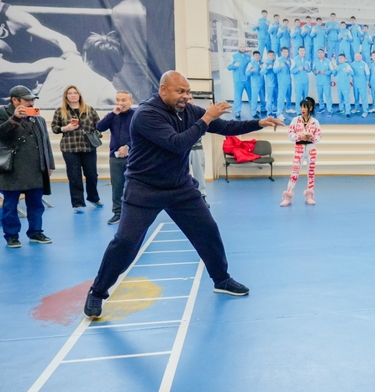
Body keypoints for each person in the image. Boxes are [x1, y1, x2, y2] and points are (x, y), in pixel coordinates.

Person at [83, 71, 284, 318]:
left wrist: (258, 123)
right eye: (180, 91)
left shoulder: (188, 110)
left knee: (207, 231)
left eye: (187, 92)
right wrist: (206, 118)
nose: (186, 97)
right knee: (125, 242)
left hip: (180, 187)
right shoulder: (146, 114)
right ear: (163, 90)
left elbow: (225, 127)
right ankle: (97, 292)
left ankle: (221, 279)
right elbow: (177, 143)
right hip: (144, 188)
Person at [0, 85, 55, 248]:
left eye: (32, 99)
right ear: (15, 100)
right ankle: (11, 236)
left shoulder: (38, 118)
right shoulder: (3, 113)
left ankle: (36, 232)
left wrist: (49, 163)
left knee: (36, 204)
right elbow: (2, 135)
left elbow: (45, 142)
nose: (31, 103)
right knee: (10, 205)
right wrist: (15, 119)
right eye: (27, 100)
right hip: (12, 168)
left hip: (36, 168)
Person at [33, 31, 122, 111]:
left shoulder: (65, 62)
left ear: (85, 55)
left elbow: (62, 40)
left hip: (34, 120)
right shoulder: (106, 88)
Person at [51, 85, 103, 214]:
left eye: (75, 93)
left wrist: (96, 135)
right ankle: (77, 203)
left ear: (79, 95)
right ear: (66, 96)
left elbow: (99, 125)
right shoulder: (60, 111)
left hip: (88, 147)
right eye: (70, 93)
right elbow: (54, 128)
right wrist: (65, 128)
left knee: (92, 175)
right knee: (74, 176)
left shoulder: (89, 109)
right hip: (70, 148)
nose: (73, 95)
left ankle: (93, 198)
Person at [95, 91, 135, 225]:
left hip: (134, 157)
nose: (120, 103)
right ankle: (117, 213)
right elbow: (99, 127)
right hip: (115, 157)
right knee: (117, 186)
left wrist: (128, 146)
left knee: (134, 187)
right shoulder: (113, 115)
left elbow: (142, 135)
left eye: (124, 100)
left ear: (131, 101)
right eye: (118, 100)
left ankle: (134, 213)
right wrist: (113, 113)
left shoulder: (137, 116)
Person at [281, 97, 322, 207]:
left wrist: (312, 137)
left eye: (305, 107)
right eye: (301, 107)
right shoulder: (295, 120)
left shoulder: (315, 122)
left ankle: (309, 197)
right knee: (294, 172)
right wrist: (300, 136)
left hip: (311, 149)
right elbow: (290, 134)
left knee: (311, 173)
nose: (302, 109)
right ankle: (288, 197)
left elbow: (319, 136)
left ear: (310, 108)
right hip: (299, 148)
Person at [185, 94, 209, 209]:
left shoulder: (198, 114)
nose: (188, 101)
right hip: (183, 150)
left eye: (190, 98)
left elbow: (203, 131)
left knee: (200, 173)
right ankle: (183, 198)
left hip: (197, 148)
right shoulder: (176, 114)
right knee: (182, 175)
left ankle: (202, 196)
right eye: (187, 99)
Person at [226, 42, 251, 119]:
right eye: (241, 47)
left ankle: (253, 111)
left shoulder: (248, 56)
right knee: (238, 97)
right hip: (238, 80)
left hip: (247, 80)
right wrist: (234, 65)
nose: (242, 48)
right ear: (238, 47)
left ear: (245, 47)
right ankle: (237, 112)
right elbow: (228, 67)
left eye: (243, 47)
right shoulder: (234, 56)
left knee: (251, 96)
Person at [291, 46, 311, 113]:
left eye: (303, 50)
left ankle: (305, 110)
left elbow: (309, 70)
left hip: (306, 82)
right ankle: (298, 112)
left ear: (305, 52)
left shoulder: (307, 59)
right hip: (298, 82)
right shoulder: (294, 60)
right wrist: (298, 69)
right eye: (300, 50)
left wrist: (307, 68)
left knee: (305, 98)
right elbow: (291, 71)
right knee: (298, 98)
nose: (302, 52)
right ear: (298, 51)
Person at [274, 47, 293, 117]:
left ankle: (288, 108)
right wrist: (280, 67)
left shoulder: (289, 60)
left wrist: (289, 65)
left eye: (286, 52)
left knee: (289, 96)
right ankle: (279, 113)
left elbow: (291, 69)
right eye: (284, 52)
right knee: (281, 98)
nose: (285, 53)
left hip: (289, 82)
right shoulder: (278, 60)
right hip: (282, 82)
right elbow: (274, 70)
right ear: (281, 52)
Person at [313, 48, 332, 116]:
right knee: (320, 96)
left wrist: (326, 72)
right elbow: (313, 70)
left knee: (328, 96)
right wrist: (315, 72)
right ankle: (321, 107)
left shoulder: (328, 61)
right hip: (318, 82)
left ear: (324, 53)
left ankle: (330, 110)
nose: (320, 54)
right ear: (317, 54)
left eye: (321, 52)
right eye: (319, 52)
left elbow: (331, 71)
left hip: (326, 82)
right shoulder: (315, 61)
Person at [246, 50, 265, 117]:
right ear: (253, 56)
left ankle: (263, 109)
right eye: (256, 55)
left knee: (263, 98)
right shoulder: (251, 64)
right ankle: (253, 112)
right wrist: (251, 70)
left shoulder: (262, 63)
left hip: (262, 84)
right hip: (255, 85)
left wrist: (263, 68)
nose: (257, 57)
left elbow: (265, 72)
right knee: (254, 99)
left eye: (258, 55)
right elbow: (247, 73)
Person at [262, 50, 278, 117]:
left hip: (276, 84)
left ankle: (274, 110)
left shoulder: (276, 62)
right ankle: (269, 112)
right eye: (270, 55)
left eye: (272, 55)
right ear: (267, 56)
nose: (271, 56)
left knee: (276, 98)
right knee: (269, 99)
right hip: (270, 84)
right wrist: (267, 68)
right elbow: (261, 72)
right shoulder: (266, 63)